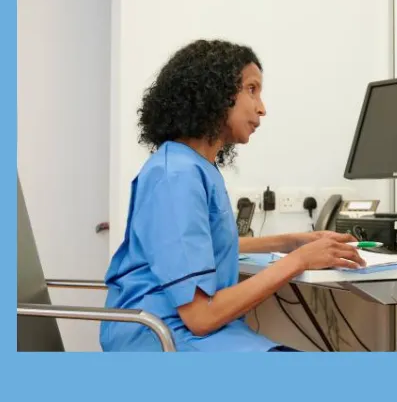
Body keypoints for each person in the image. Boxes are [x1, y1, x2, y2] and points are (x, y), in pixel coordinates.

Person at [100, 39, 366, 352]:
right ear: (214, 93)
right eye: (251, 89)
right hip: (161, 339)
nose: (261, 108)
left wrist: (290, 242)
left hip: (182, 331)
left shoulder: (192, 166)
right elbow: (201, 315)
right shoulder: (177, 176)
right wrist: (299, 260)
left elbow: (201, 247)